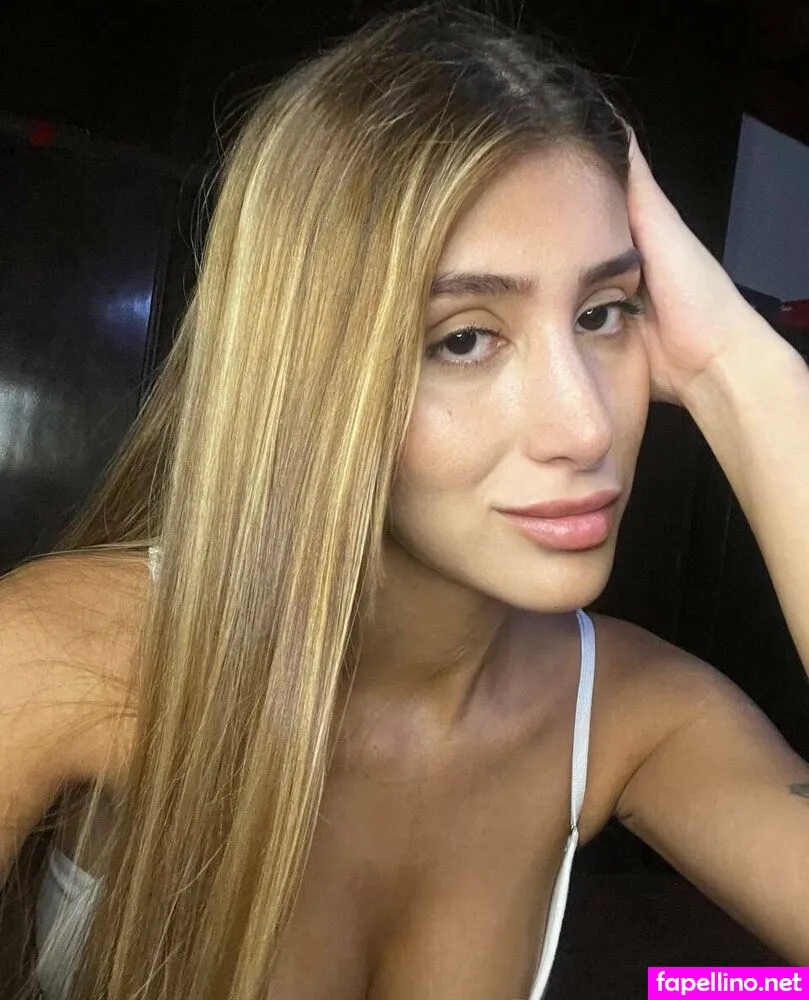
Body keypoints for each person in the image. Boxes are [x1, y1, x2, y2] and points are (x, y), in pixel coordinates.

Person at [1, 3, 808, 998]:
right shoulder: (71, 654)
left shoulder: (632, 714)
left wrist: (744, 374)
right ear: (310, 367)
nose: (584, 426)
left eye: (603, 314)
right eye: (462, 337)